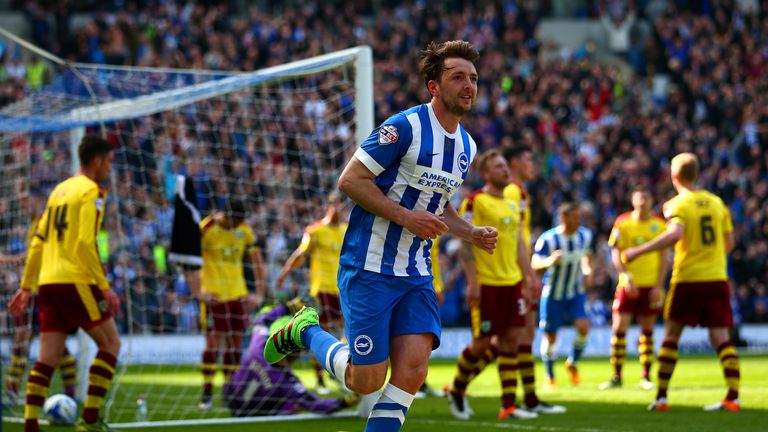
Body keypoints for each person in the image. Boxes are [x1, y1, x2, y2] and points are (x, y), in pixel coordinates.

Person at [264, 40, 498, 432]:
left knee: (412, 370)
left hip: (416, 272)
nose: (469, 86)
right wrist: (407, 218)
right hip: (369, 265)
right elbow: (351, 180)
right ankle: (304, 330)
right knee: (366, 380)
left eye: (473, 78)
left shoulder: (466, 147)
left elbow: (439, 202)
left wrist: (469, 231)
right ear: (434, 86)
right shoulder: (403, 127)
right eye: (457, 77)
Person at [9, 135, 121, 432]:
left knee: (48, 356)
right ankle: (91, 421)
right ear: (96, 161)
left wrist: (26, 285)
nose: (110, 168)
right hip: (75, 279)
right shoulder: (92, 191)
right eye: (109, 162)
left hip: (48, 282)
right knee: (110, 343)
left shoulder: (59, 190)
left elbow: (38, 242)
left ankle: (30, 425)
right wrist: (104, 285)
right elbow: (86, 243)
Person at [624, 153, 741, 412]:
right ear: (696, 174)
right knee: (721, 337)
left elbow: (675, 235)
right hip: (717, 277)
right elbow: (729, 243)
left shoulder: (678, 205)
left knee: (671, 336)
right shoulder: (717, 203)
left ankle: (662, 397)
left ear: (673, 176)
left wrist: (638, 251)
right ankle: (733, 396)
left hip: (688, 278)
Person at [446, 150, 538, 421]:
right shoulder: (476, 202)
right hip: (487, 284)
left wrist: (529, 276)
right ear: (486, 174)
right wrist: (472, 282)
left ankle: (508, 405)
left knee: (511, 341)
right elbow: (465, 243)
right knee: (482, 343)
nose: (506, 171)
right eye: (499, 167)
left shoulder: (514, 199)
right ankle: (457, 389)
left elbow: (519, 242)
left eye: (506, 166)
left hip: (512, 283)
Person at [224, 302, 358, 416]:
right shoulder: (288, 382)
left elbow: (263, 320)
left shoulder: (258, 345)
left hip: (230, 397)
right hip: (251, 415)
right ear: (296, 355)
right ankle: (286, 409)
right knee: (292, 404)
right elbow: (316, 404)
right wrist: (347, 401)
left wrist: (288, 307)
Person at [5, 200, 78, 405]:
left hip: (41, 292)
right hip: (38, 292)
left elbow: (33, 255)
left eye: (28, 201)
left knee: (47, 343)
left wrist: (7, 260)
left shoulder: (43, 223)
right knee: (23, 342)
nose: (23, 205)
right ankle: (12, 391)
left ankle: (71, 390)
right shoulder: (33, 224)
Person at [196, 198, 266, 410]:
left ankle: (229, 389)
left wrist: (259, 293)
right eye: (235, 220)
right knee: (213, 346)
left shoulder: (244, 230)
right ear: (226, 215)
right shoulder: (206, 227)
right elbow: (189, 260)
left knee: (235, 347)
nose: (238, 224)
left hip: (238, 296)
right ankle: (206, 390)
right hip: (214, 296)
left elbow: (257, 262)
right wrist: (198, 291)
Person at [276, 192, 347, 394]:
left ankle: (341, 372)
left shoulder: (347, 230)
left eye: (343, 207)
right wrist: (284, 273)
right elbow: (301, 253)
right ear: (330, 206)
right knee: (321, 332)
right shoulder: (315, 231)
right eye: (337, 206)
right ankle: (320, 380)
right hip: (322, 290)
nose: (340, 211)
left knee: (346, 332)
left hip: (342, 289)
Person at [599, 187, 668, 391]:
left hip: (650, 285)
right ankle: (616, 375)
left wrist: (658, 285)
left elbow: (664, 258)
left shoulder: (659, 224)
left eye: (646, 196)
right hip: (628, 284)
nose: (643, 200)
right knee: (619, 329)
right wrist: (625, 277)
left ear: (651, 200)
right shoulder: (623, 223)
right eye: (640, 196)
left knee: (647, 331)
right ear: (633, 200)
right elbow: (615, 253)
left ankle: (646, 375)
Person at [532, 202, 594, 389]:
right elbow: (535, 264)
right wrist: (550, 261)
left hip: (575, 292)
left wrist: (588, 270)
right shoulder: (549, 239)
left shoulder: (585, 235)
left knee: (584, 327)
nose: (578, 221)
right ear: (563, 218)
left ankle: (573, 362)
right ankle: (549, 375)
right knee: (550, 336)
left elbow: (587, 256)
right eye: (574, 217)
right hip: (553, 293)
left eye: (579, 217)